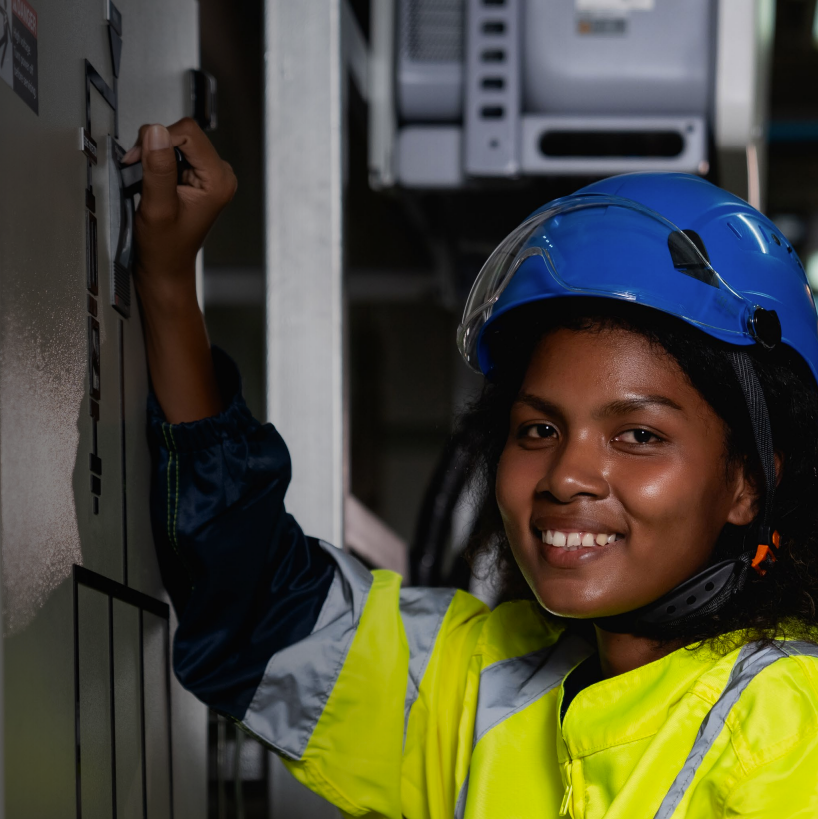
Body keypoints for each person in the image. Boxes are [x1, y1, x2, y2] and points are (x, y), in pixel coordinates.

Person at [124, 120, 818, 818]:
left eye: (637, 434)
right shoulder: (483, 685)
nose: (566, 475)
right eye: (539, 428)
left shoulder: (788, 727)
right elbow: (259, 614)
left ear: (748, 483)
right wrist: (168, 283)